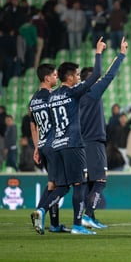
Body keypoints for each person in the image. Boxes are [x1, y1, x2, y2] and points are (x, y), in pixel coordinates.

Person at [31, 37, 107, 235]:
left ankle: (44, 212)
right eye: (76, 75)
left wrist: (38, 146)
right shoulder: (71, 93)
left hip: (55, 144)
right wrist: (98, 52)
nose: (79, 78)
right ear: (70, 77)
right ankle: (77, 225)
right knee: (79, 184)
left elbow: (36, 123)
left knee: (60, 186)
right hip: (73, 143)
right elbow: (97, 74)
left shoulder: (50, 97)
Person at [79, 37, 128, 229]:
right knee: (100, 180)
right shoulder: (92, 92)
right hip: (94, 143)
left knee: (88, 182)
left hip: (81, 143)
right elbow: (109, 75)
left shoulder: (76, 95)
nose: (97, 81)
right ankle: (87, 216)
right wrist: (121, 55)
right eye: (94, 79)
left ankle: (86, 216)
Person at [29, 63, 70, 233]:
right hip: (55, 144)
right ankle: (41, 210)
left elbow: (33, 127)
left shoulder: (32, 100)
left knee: (52, 184)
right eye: (54, 75)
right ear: (47, 78)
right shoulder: (52, 97)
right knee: (64, 185)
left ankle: (53, 224)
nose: (56, 77)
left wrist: (37, 148)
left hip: (43, 145)